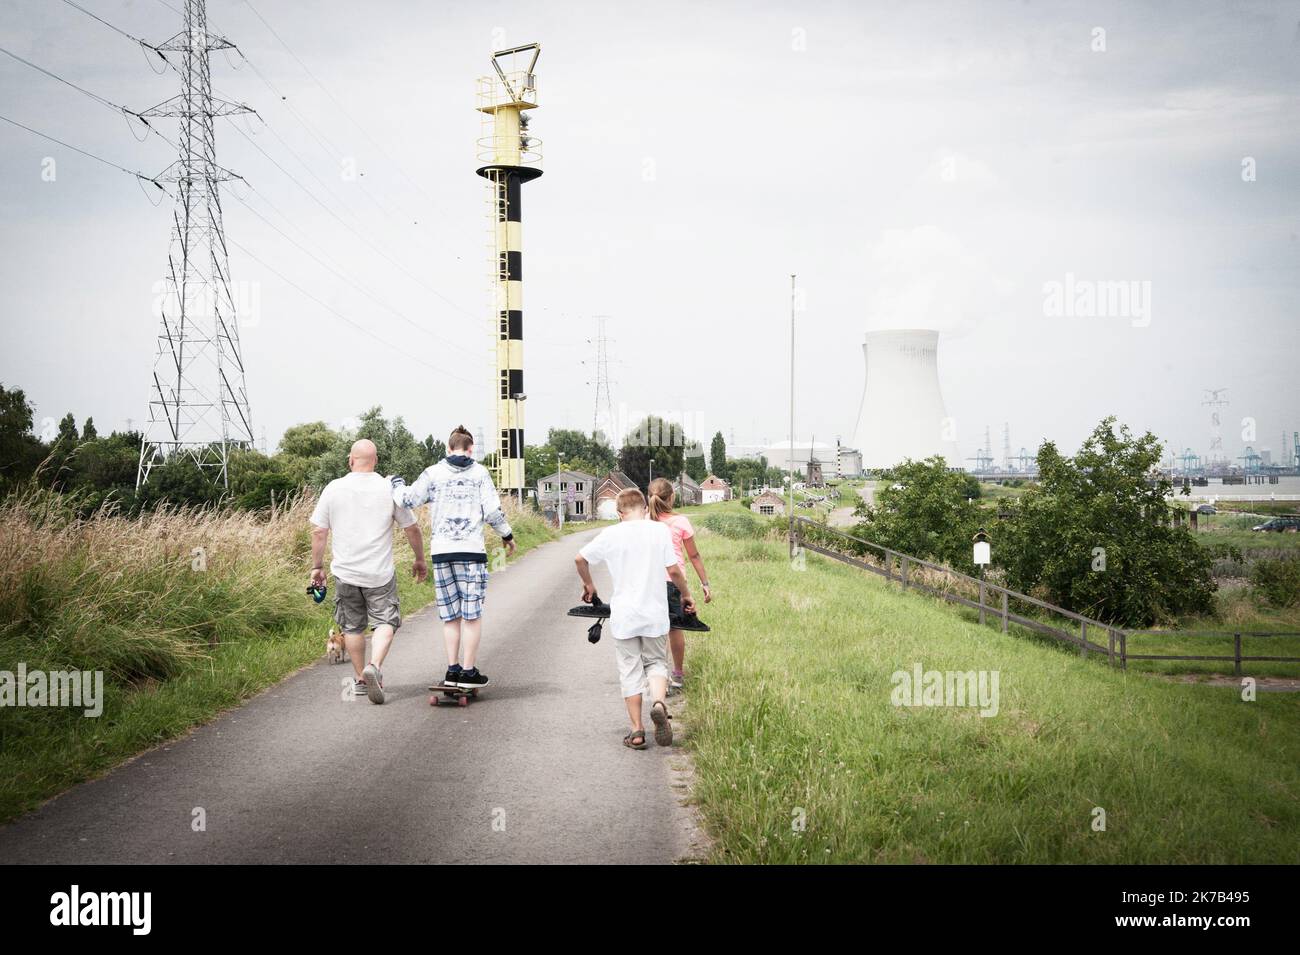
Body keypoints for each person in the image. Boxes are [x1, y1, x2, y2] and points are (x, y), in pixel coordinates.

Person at [391, 425, 515, 689]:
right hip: (471, 551)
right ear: (471, 450)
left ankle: (452, 669)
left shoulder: (432, 473)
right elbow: (493, 511)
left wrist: (396, 484)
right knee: (471, 615)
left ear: (448, 448)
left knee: (450, 616)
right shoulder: (481, 473)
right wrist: (507, 535)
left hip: (442, 552)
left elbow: (409, 499)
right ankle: (468, 673)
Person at [574, 487, 696, 749]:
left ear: (619, 513)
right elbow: (674, 570)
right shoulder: (659, 531)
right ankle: (660, 704)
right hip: (654, 613)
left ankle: (637, 731)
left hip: (625, 616)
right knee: (655, 663)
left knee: (629, 670)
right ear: (644, 508)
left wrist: (589, 586)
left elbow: (580, 558)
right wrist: (686, 595)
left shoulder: (611, 534)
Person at [310, 439, 427, 704]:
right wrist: (420, 559)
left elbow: (319, 531)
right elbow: (412, 528)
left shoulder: (334, 488)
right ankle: (374, 666)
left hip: (346, 573)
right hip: (379, 573)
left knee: (352, 627)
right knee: (385, 621)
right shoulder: (388, 488)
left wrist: (317, 567)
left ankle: (360, 680)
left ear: (350, 460)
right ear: (375, 461)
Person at [646, 477, 711, 693]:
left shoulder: (644, 521)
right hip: (672, 583)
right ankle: (678, 675)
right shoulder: (680, 521)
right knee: (674, 628)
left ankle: (656, 676)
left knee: (653, 630)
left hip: (647, 582)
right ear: (672, 497)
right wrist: (705, 583)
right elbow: (694, 555)